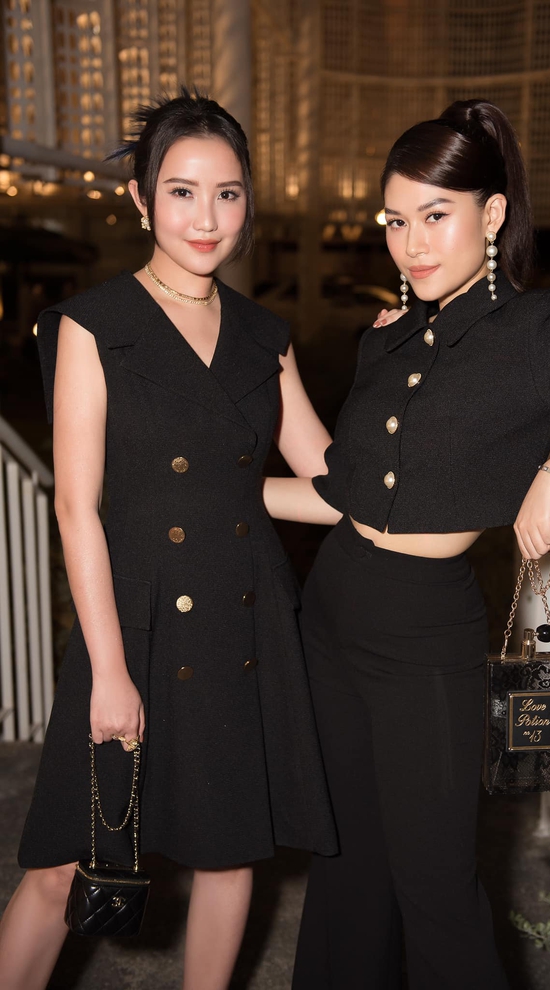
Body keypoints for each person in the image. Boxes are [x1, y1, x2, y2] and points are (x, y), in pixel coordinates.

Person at [263, 98, 550, 989]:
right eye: (396, 221)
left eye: (435, 216)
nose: (412, 244)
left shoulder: (535, 337)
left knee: (436, 886)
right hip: (332, 612)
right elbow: (347, 497)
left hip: (423, 638)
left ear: (492, 213)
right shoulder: (389, 335)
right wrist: (218, 496)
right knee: (345, 867)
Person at [0, 88, 336, 990]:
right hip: (134, 619)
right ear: (142, 200)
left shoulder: (263, 336)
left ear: (248, 203)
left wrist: (399, 360)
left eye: (227, 193)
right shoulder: (94, 325)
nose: (207, 218)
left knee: (229, 852)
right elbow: (76, 508)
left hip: (241, 617)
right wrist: (109, 671)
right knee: (65, 858)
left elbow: (333, 486)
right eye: (182, 192)